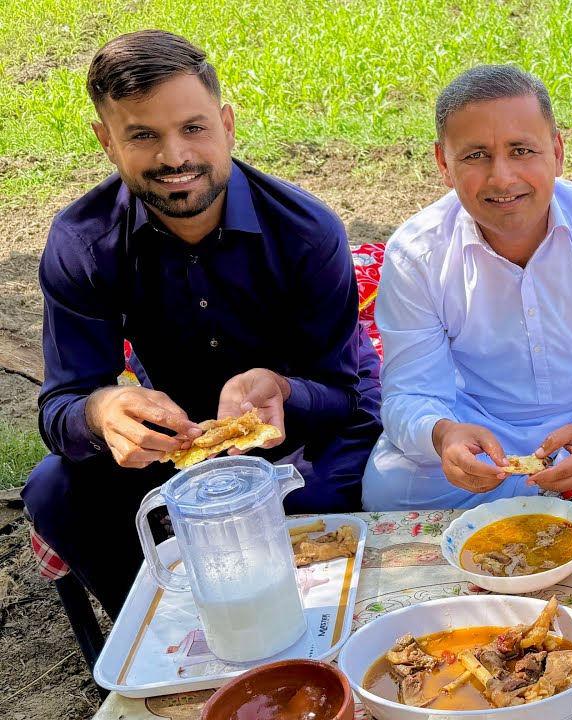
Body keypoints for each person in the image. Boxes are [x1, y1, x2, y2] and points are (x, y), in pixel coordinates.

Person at [22, 30, 382, 618]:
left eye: (193, 128)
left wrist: (281, 388)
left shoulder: (305, 231)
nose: (174, 157)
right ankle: (165, 630)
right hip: (183, 431)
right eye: (143, 135)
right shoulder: (83, 243)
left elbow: (340, 392)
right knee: (55, 491)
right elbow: (61, 405)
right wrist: (101, 410)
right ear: (107, 142)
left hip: (307, 419)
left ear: (227, 125)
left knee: (307, 503)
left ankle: (315, 637)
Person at [361, 64, 572, 510]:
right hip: (476, 428)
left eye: (521, 150)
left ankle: (549, 485)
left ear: (557, 152)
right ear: (443, 164)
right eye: (476, 156)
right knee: (388, 491)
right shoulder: (416, 253)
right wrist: (444, 435)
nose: (502, 178)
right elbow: (410, 393)